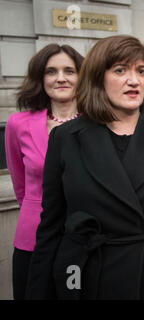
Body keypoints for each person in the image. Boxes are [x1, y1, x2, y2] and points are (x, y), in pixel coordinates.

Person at [26, 35, 144, 300]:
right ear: (98, 77)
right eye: (120, 70)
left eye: (141, 71)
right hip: (88, 277)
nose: (134, 80)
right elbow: (51, 226)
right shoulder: (65, 139)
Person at [5, 44, 84, 300]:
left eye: (69, 71)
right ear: (41, 78)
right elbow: (20, 185)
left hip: (84, 239)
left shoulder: (97, 124)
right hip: (32, 239)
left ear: (82, 77)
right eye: (51, 72)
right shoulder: (18, 125)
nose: (60, 78)